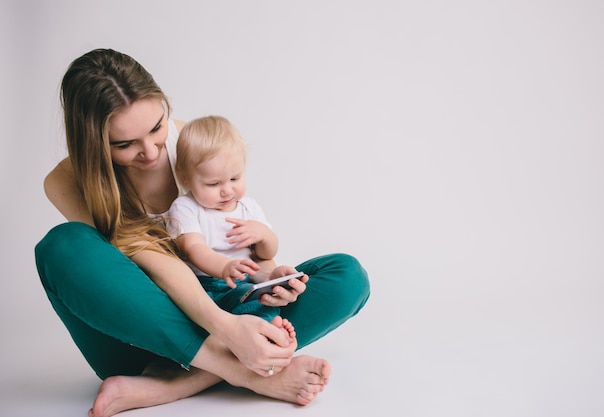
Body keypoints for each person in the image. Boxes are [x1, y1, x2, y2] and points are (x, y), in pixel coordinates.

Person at [34, 48, 370, 417]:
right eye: (124, 144)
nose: (151, 151)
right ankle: (243, 373)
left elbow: (237, 238)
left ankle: (176, 384)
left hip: (226, 310)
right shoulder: (67, 181)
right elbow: (155, 261)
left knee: (347, 274)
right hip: (144, 338)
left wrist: (269, 277)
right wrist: (227, 332)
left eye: (156, 127)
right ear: (93, 143)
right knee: (62, 247)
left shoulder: (193, 141)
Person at [167, 114, 283, 321]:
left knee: (269, 296)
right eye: (214, 184)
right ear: (185, 177)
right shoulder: (186, 207)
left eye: (234, 178)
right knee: (249, 306)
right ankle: (272, 333)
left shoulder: (248, 207)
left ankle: (270, 331)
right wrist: (224, 268)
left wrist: (264, 235)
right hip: (210, 286)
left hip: (248, 283)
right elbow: (194, 249)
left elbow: (267, 254)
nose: (227, 191)